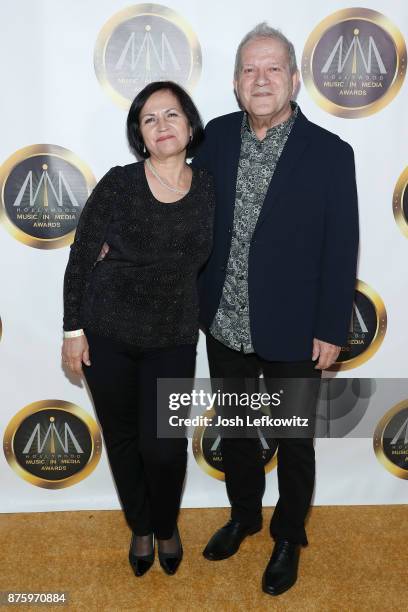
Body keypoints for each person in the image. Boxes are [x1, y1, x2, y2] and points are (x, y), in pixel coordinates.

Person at [192, 23, 359, 596]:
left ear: (293, 78)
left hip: (294, 325)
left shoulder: (332, 154)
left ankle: (289, 534)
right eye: (249, 69)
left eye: (272, 69)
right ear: (236, 83)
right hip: (224, 319)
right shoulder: (212, 137)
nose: (260, 80)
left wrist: (331, 327)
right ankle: (244, 516)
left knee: (292, 439)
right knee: (237, 430)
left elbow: (342, 246)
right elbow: (176, 200)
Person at [62, 81, 214, 578]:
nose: (163, 125)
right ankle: (142, 527)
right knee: (124, 440)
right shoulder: (119, 183)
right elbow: (81, 258)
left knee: (164, 445)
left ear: (190, 125)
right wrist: (72, 332)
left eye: (172, 114)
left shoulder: (211, 187)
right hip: (107, 335)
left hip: (171, 338)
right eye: (150, 119)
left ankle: (167, 524)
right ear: (139, 134)